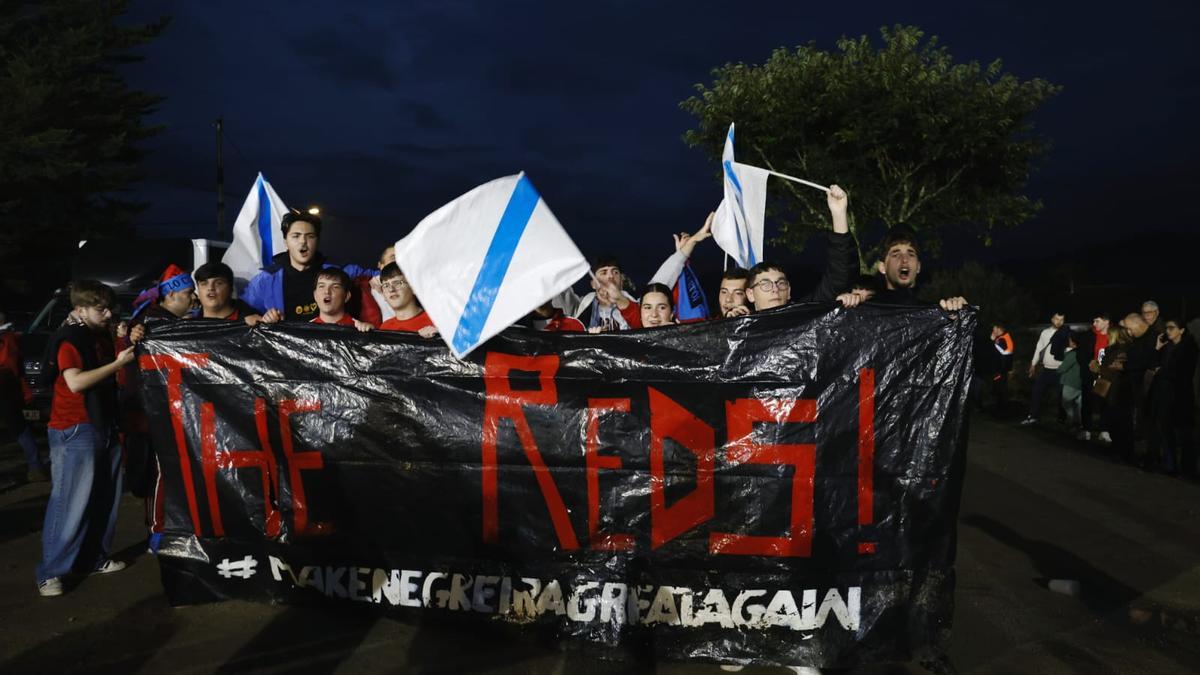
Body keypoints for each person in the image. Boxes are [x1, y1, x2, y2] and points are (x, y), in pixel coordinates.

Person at [36, 280, 134, 597]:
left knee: (105, 499)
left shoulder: (99, 336)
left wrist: (119, 346)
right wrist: (118, 362)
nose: (107, 314)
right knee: (70, 502)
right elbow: (76, 383)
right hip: (74, 427)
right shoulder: (70, 339)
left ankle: (94, 557)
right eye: (99, 308)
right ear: (80, 310)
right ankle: (50, 572)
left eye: (109, 307)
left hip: (103, 424)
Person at [574, 215, 713, 331]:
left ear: (622, 280)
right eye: (604, 272)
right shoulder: (579, 307)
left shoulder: (640, 309)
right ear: (593, 283)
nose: (610, 277)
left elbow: (664, 278)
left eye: (615, 272)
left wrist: (690, 244)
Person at [743, 185, 860, 312]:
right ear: (750, 294)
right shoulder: (738, 328)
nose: (775, 289)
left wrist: (838, 214)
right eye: (765, 284)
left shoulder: (804, 315)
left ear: (788, 291)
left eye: (781, 283)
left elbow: (839, 275)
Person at [244, 210, 376, 323]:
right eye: (296, 236)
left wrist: (379, 280)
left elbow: (380, 276)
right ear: (286, 242)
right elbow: (241, 310)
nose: (303, 242)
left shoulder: (337, 272)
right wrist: (255, 317)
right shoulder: (265, 280)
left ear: (317, 241)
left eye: (310, 236)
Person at [867, 225, 967, 311]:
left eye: (911, 254)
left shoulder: (934, 314)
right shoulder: (867, 312)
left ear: (918, 267)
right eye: (896, 254)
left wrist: (960, 318)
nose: (904, 259)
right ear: (882, 267)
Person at [0, 311, 46, 481]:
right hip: (9, 392)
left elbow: (9, 368)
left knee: (19, 428)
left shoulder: (6, 340)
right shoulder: (10, 339)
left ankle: (36, 466)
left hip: (6, 393)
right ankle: (36, 466)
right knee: (20, 429)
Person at [1150, 317, 1197, 475]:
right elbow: (1155, 366)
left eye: (1171, 328)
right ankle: (1170, 464)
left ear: (1181, 330)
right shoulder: (1167, 347)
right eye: (1167, 327)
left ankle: (1187, 466)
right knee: (1166, 429)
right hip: (1165, 394)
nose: (1168, 331)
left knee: (1184, 432)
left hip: (1181, 395)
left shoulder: (1189, 347)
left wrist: (1161, 371)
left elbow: (1183, 372)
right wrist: (1157, 349)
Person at [274, 268, 374, 331]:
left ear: (346, 296)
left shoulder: (358, 329)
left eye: (335, 287)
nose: (327, 291)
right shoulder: (305, 330)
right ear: (315, 296)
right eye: (321, 286)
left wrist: (371, 334)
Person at [1021, 311, 1068, 426]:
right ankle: (1033, 416)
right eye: (1057, 319)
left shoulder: (1066, 333)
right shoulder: (1045, 333)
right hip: (1046, 369)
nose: (1059, 322)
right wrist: (1033, 364)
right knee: (1036, 391)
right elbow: (1039, 348)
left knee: (1062, 396)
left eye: (1062, 319)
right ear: (1052, 319)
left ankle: (1062, 419)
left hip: (1060, 370)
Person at [376, 262, 437, 337]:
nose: (391, 289)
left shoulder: (436, 321)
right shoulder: (385, 328)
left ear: (413, 288)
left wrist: (440, 336)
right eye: (386, 285)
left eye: (397, 283)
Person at [192, 262, 263, 323]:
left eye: (218, 283)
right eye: (204, 284)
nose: (210, 288)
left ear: (231, 288)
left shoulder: (255, 322)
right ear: (198, 290)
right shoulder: (190, 326)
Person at [1059, 335, 1083, 432]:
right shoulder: (1085, 351)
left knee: (1066, 402)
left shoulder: (1072, 354)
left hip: (1071, 381)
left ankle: (1072, 421)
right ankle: (1079, 424)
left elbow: (1063, 367)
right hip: (1081, 381)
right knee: (1079, 404)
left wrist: (1057, 370)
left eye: (1070, 341)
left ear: (1073, 342)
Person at [990, 323, 1015, 415]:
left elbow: (1005, 352)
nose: (993, 331)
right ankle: (1001, 409)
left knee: (1000, 390)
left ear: (999, 330)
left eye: (994, 329)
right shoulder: (1004, 338)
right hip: (1002, 369)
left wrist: (994, 341)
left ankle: (1001, 411)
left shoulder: (1002, 340)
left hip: (1000, 369)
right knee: (1001, 389)